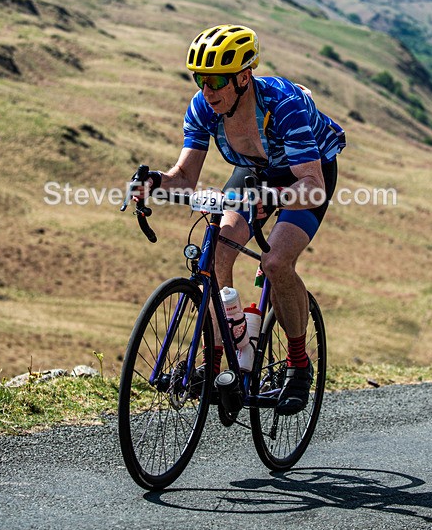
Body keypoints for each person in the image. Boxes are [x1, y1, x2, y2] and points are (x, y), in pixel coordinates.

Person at [134, 24, 345, 415]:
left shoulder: (284, 105)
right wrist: (154, 183)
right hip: (253, 173)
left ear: (244, 77)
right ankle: (217, 363)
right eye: (200, 79)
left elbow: (313, 186)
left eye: (216, 80)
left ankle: (299, 364)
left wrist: (272, 197)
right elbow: (185, 177)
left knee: (276, 262)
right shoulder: (203, 108)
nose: (207, 90)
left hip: (305, 175)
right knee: (216, 253)